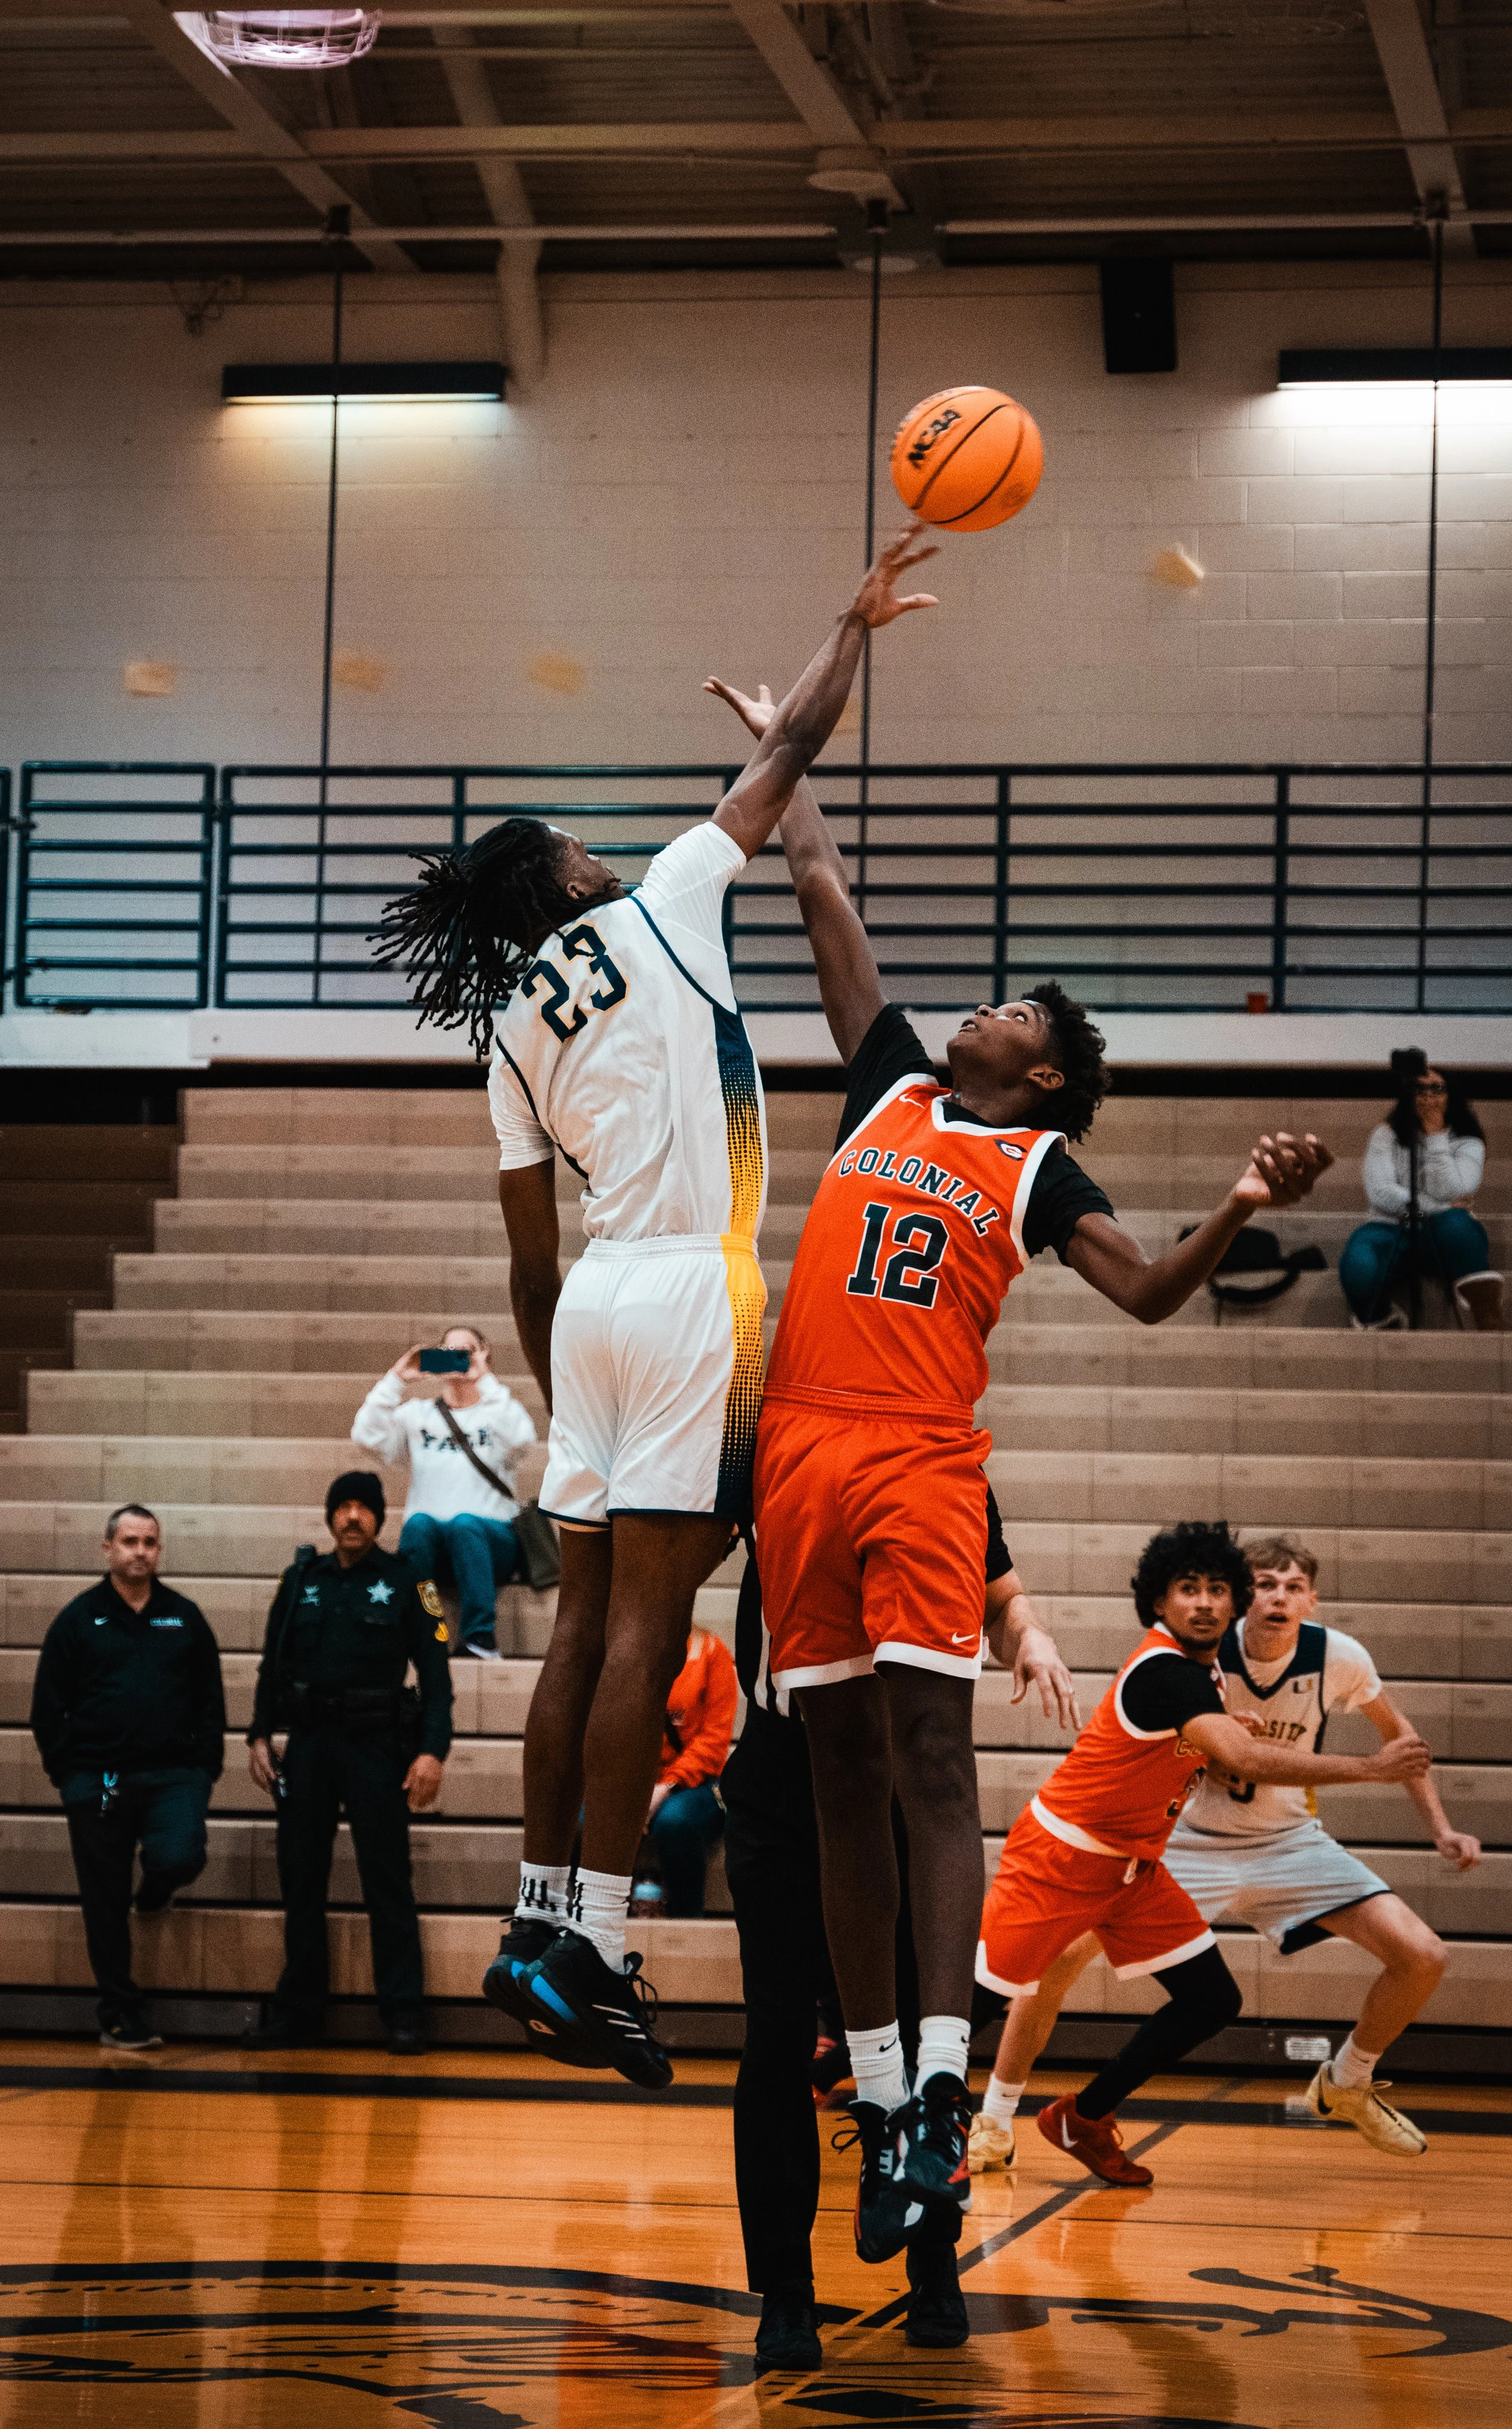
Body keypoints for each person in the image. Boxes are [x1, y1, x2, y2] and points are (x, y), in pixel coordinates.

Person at [703, 676, 1337, 2232]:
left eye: (1016, 1014)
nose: (982, 1008)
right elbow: (817, 881)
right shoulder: (892, 1080)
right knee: (838, 1776)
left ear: (1043, 1070)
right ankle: (872, 2081)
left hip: (922, 1458)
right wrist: (788, 741)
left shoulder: (1036, 1158)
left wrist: (1242, 1207)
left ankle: (934, 2075)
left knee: (924, 1762)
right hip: (798, 1451)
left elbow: (1144, 1291)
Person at [374, 526, 939, 2088]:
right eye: (576, 840)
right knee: (649, 1630)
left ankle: (538, 1917)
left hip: (593, 1311)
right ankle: (604, 1946)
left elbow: (525, 1255)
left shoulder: (504, 1023)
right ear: (562, 874)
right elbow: (799, 760)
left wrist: (560, 1382)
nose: (599, 846)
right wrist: (848, 619)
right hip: (696, 1284)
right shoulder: (665, 902)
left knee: (578, 1632)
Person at [971, 1531, 1480, 2174]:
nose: (1215, 1601)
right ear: (1165, 1599)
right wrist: (1360, 1768)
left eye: (1222, 1589)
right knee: (1014, 1983)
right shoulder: (1177, 1665)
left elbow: (1399, 1743)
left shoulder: (1302, 1658)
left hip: (1244, 1846)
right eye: (1195, 1589)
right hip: (1114, 1849)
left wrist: (1440, 1827)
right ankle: (975, 2116)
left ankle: (1092, 2115)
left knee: (1390, 1960)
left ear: (1306, 1599)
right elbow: (1229, 1749)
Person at [725, 1488, 1080, 2374]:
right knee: (774, 2037)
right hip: (780, 1767)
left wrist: (1028, 1634)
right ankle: (786, 2292)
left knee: (932, 2038)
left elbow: (1001, 1592)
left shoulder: (934, 1449)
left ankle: (934, 2270)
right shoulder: (759, 1432)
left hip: (892, 1777)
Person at [243, 1472, 453, 2057]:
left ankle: (404, 2012)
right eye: (343, 1506)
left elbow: (436, 1678)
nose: (353, 1516)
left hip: (377, 1745)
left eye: (364, 1507)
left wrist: (432, 1749)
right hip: (308, 1745)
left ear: (380, 1518)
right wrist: (260, 1732)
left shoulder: (410, 1581)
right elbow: (271, 1664)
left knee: (387, 1880)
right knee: (301, 1878)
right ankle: (299, 2012)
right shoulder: (301, 1579)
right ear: (330, 1515)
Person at [29, 1504, 226, 2055]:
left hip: (172, 1775)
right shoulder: (78, 1618)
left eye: (150, 1542)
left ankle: (158, 1889)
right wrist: (69, 1774)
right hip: (102, 1779)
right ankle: (120, 2013)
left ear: (159, 1550)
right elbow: (49, 1708)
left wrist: (203, 1768)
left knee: (180, 1855)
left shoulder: (184, 1617)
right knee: (104, 1898)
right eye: (130, 1541)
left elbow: (211, 1700)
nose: (140, 1551)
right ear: (107, 1549)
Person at [351, 1324, 538, 1660]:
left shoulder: (497, 1412)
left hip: (492, 1544)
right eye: (448, 1350)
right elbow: (366, 1436)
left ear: (484, 1356)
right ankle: (415, 1630)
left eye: (465, 1351)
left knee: (465, 1523)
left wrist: (485, 1380)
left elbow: (523, 1440)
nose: (456, 1358)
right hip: (433, 1546)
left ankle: (480, 1637)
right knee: (418, 1524)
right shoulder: (418, 1416)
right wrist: (396, 1378)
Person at [1340, 1048, 1502, 1330]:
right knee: (1359, 1262)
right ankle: (1381, 1319)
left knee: (1457, 1226)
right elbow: (1381, 1193)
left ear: (1451, 1096)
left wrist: (1436, 1135)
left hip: (1443, 1234)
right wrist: (1439, 1207)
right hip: (1391, 1227)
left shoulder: (1468, 1142)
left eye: (1437, 1089)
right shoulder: (1386, 1135)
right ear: (1408, 1096)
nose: (1428, 1096)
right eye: (1419, 1089)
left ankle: (1486, 1313)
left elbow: (1454, 1190)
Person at [636, 1623, 738, 1917]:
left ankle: (686, 1920)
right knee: (584, 1820)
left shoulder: (710, 1651)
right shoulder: (623, 1648)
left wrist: (665, 1787)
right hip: (636, 1783)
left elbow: (714, 1741)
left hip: (700, 1785)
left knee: (675, 1822)